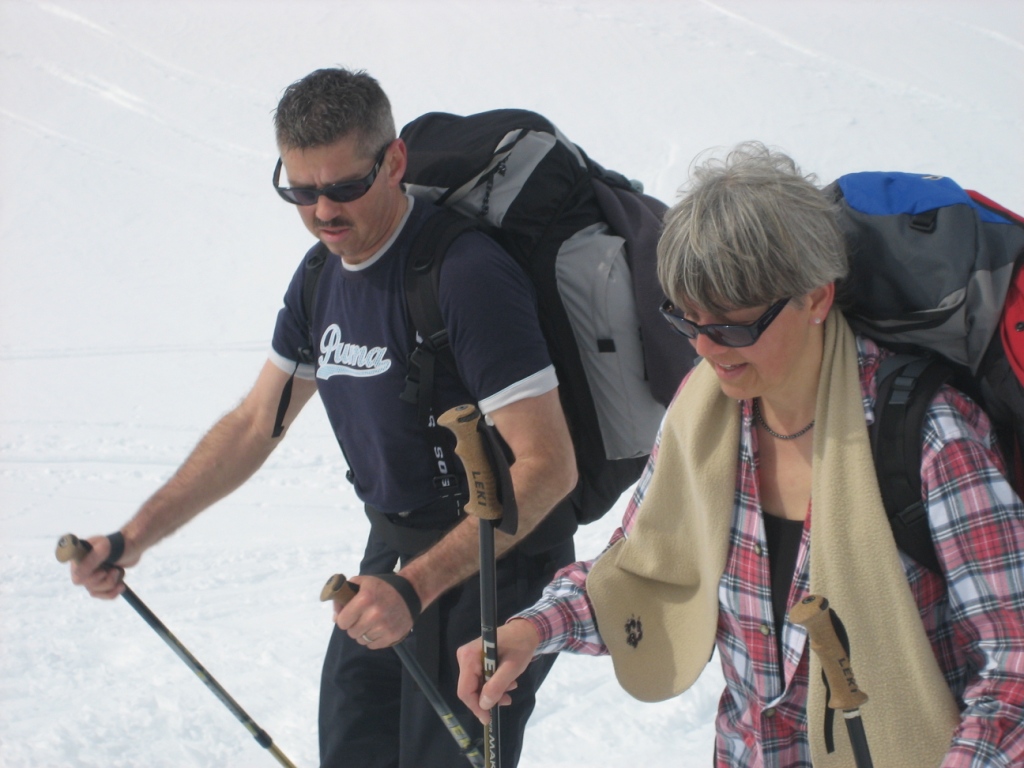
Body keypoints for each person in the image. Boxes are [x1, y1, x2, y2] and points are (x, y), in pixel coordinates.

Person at [67, 67, 579, 768]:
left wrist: (416, 586)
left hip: (496, 563)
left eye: (343, 187)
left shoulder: (464, 274)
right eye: (301, 191)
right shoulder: (320, 278)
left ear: (393, 161)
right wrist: (133, 537)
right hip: (393, 555)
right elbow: (255, 423)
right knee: (351, 748)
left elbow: (549, 467)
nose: (323, 211)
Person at [456, 142, 1024, 766]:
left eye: (732, 325)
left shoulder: (931, 436)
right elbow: (639, 570)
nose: (706, 348)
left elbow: (1013, 666)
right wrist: (531, 630)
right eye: (687, 320)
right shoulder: (707, 412)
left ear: (816, 297)